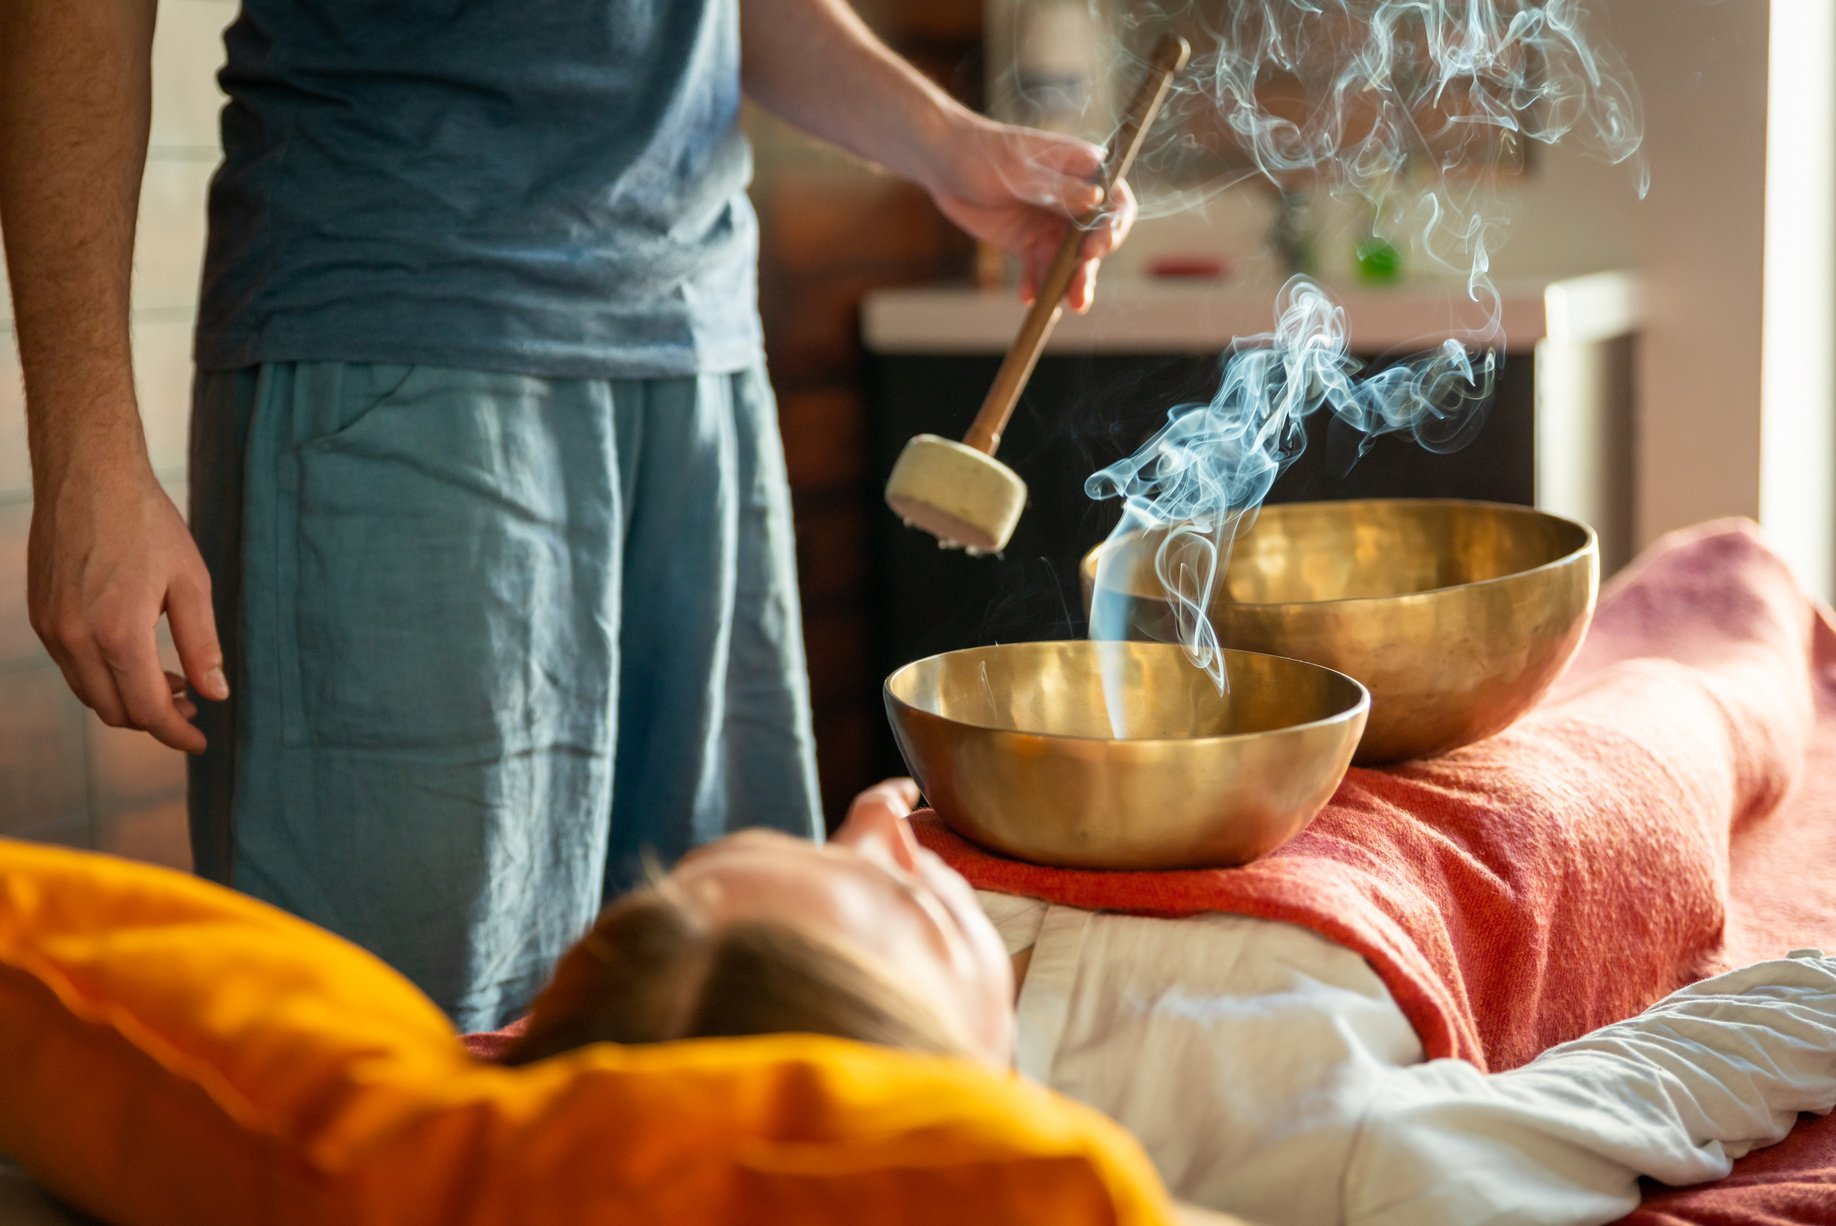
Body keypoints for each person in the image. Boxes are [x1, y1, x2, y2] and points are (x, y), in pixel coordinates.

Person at [0, 1, 1136, 1032]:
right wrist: (86, 451)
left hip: (698, 355)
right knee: (402, 1053)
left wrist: (947, 145)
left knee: (726, 1031)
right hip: (405, 335)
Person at [503, 777, 1836, 1226]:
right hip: (1503, 838)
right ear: (941, 1085)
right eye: (902, 894)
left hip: (1286, 781)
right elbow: (1663, 1080)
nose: (878, 813)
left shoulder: (886, 910)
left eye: (797, 834)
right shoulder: (1305, 1137)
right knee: (1723, 636)